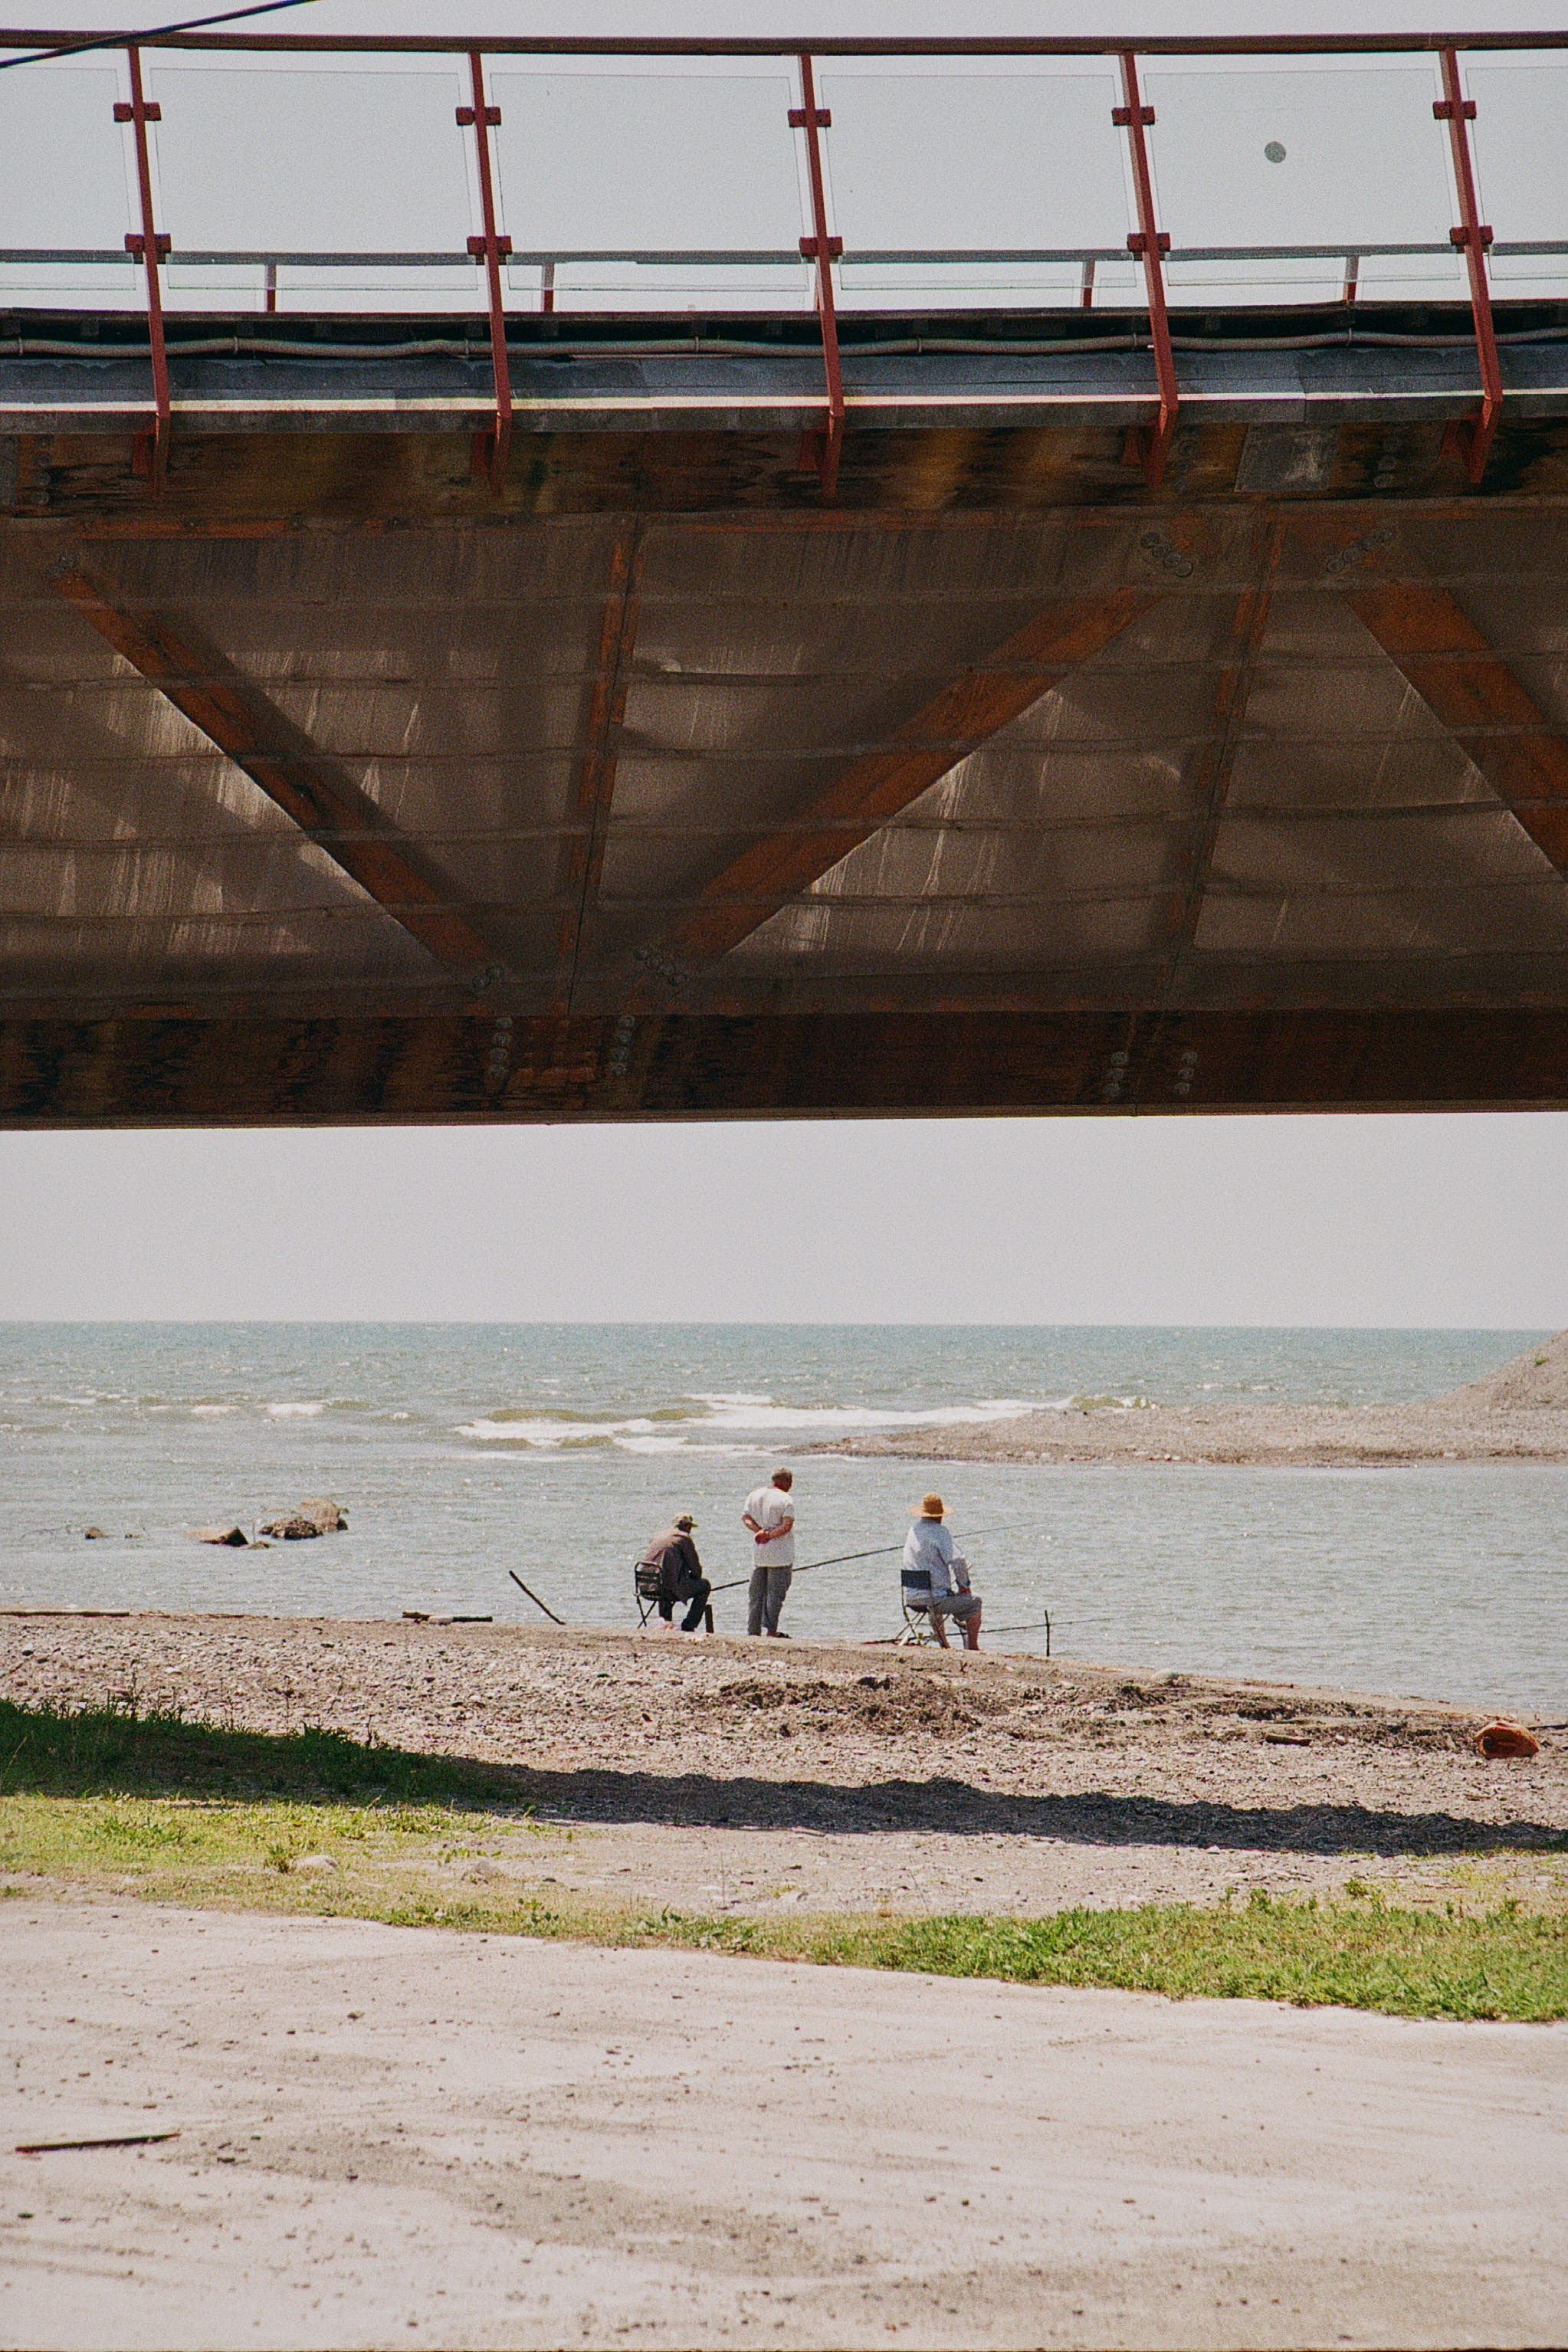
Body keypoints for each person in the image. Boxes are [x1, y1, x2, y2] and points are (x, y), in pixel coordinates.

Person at [901, 1493, 982, 1651]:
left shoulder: (913, 1530)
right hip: (933, 1600)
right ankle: (973, 1647)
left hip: (911, 1598)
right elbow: (958, 1561)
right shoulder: (941, 1532)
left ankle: (944, 1644)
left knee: (936, 1594)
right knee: (975, 1603)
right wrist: (964, 1586)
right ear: (940, 1515)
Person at [636, 1512, 712, 1633]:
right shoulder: (683, 1538)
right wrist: (692, 1577)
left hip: (646, 1587)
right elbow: (697, 1571)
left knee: (665, 1579)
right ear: (687, 1526)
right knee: (705, 1586)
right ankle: (689, 1625)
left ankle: (666, 1620)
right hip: (667, 1589)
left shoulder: (658, 1536)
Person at [742, 1468, 795, 1637]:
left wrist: (759, 1531)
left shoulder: (754, 1495)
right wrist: (769, 1535)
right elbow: (787, 1526)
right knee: (775, 1596)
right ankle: (771, 1631)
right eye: (790, 1482)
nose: (791, 1486)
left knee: (756, 1595)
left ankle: (753, 1631)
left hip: (759, 1555)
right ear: (784, 1481)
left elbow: (746, 1518)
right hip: (781, 1556)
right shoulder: (786, 1499)